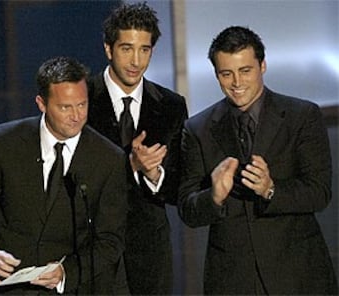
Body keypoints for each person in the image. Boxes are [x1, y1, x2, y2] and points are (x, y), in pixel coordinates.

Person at [178, 25, 338, 295]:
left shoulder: (302, 116)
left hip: (299, 274)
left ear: (262, 66)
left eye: (245, 71)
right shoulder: (198, 129)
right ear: (216, 74)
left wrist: (270, 190)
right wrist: (213, 196)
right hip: (232, 279)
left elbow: (319, 193)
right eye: (226, 74)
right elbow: (187, 209)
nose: (237, 83)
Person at [0, 56, 128, 295]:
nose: (76, 116)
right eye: (65, 107)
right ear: (42, 103)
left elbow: (110, 240)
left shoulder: (108, 158)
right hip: (6, 288)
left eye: (82, 104)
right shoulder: (4, 142)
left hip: (69, 289)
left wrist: (66, 272)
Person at [87, 2, 188, 294]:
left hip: (150, 252)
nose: (136, 60)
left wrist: (154, 174)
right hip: (93, 247)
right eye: (126, 48)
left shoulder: (171, 105)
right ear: (108, 49)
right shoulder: (81, 100)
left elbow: (181, 183)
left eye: (144, 50)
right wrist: (129, 167)